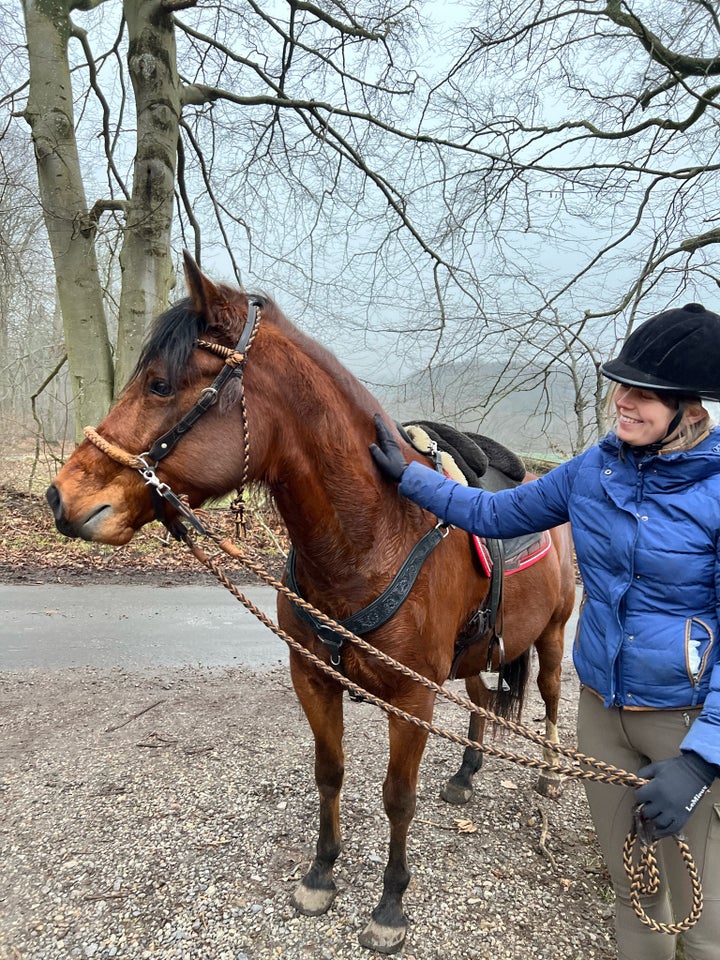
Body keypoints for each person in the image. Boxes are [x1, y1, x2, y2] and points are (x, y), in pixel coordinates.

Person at [369, 302, 720, 960]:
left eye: (646, 393)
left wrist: (703, 759)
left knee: (704, 921)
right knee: (634, 891)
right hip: (601, 715)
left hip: (687, 720)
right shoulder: (595, 469)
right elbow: (496, 511)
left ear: (690, 407)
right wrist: (410, 476)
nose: (624, 401)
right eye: (623, 385)